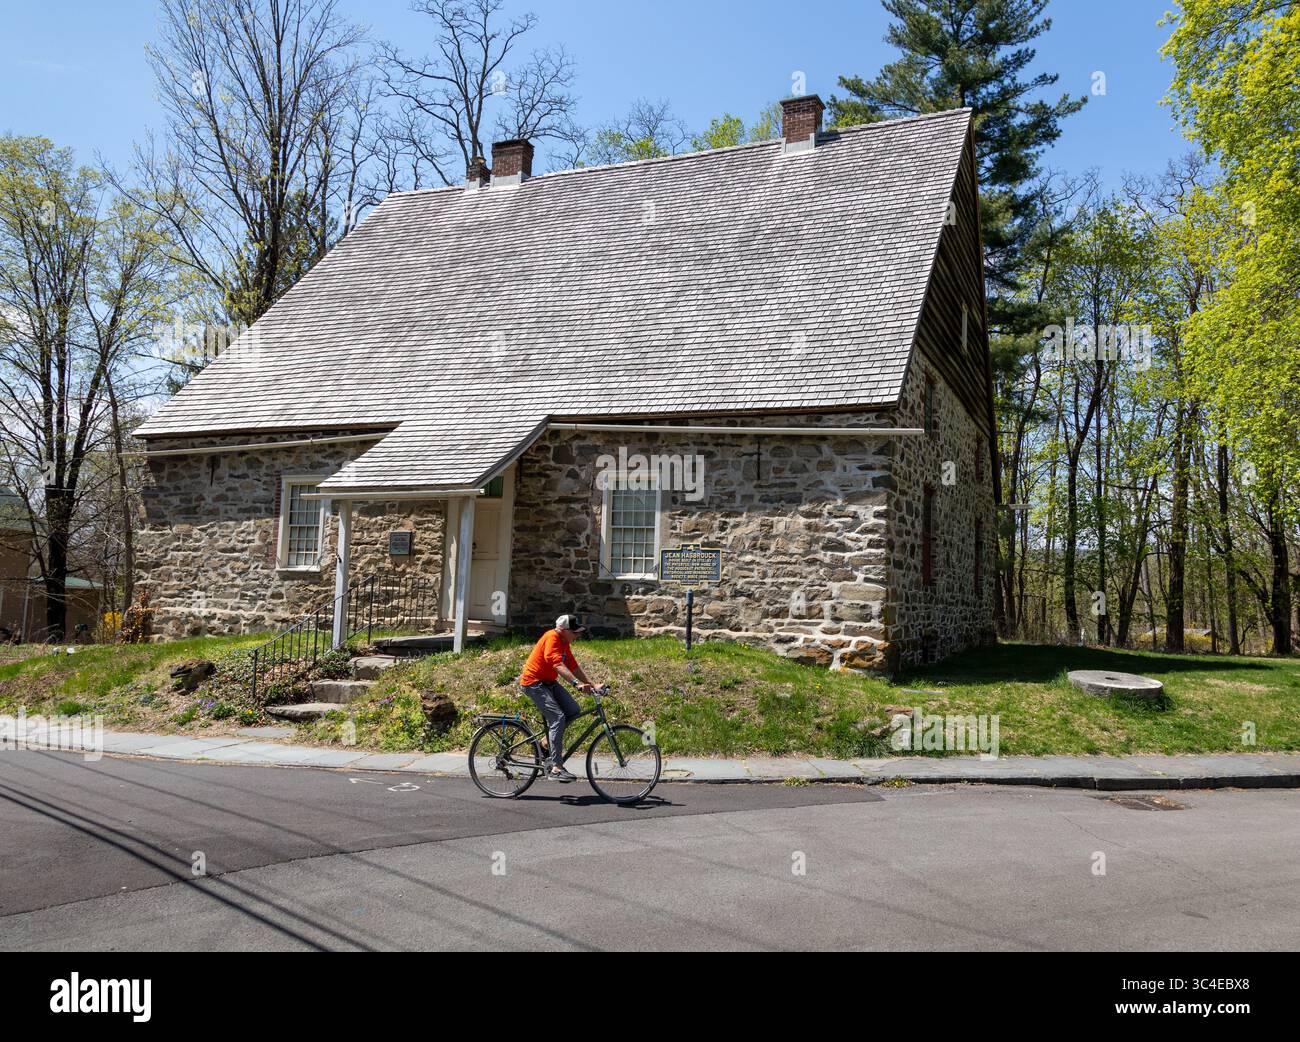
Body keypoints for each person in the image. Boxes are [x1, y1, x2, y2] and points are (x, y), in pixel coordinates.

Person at [519, 614, 598, 782]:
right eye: (575, 632)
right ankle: (556, 768)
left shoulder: (564, 642)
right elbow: (557, 664)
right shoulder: (552, 637)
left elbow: (573, 666)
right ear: (562, 630)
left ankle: (545, 742)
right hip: (533, 683)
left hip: (548, 682)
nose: (577, 635)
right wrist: (576, 684)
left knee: (573, 710)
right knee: (557, 718)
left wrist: (592, 684)